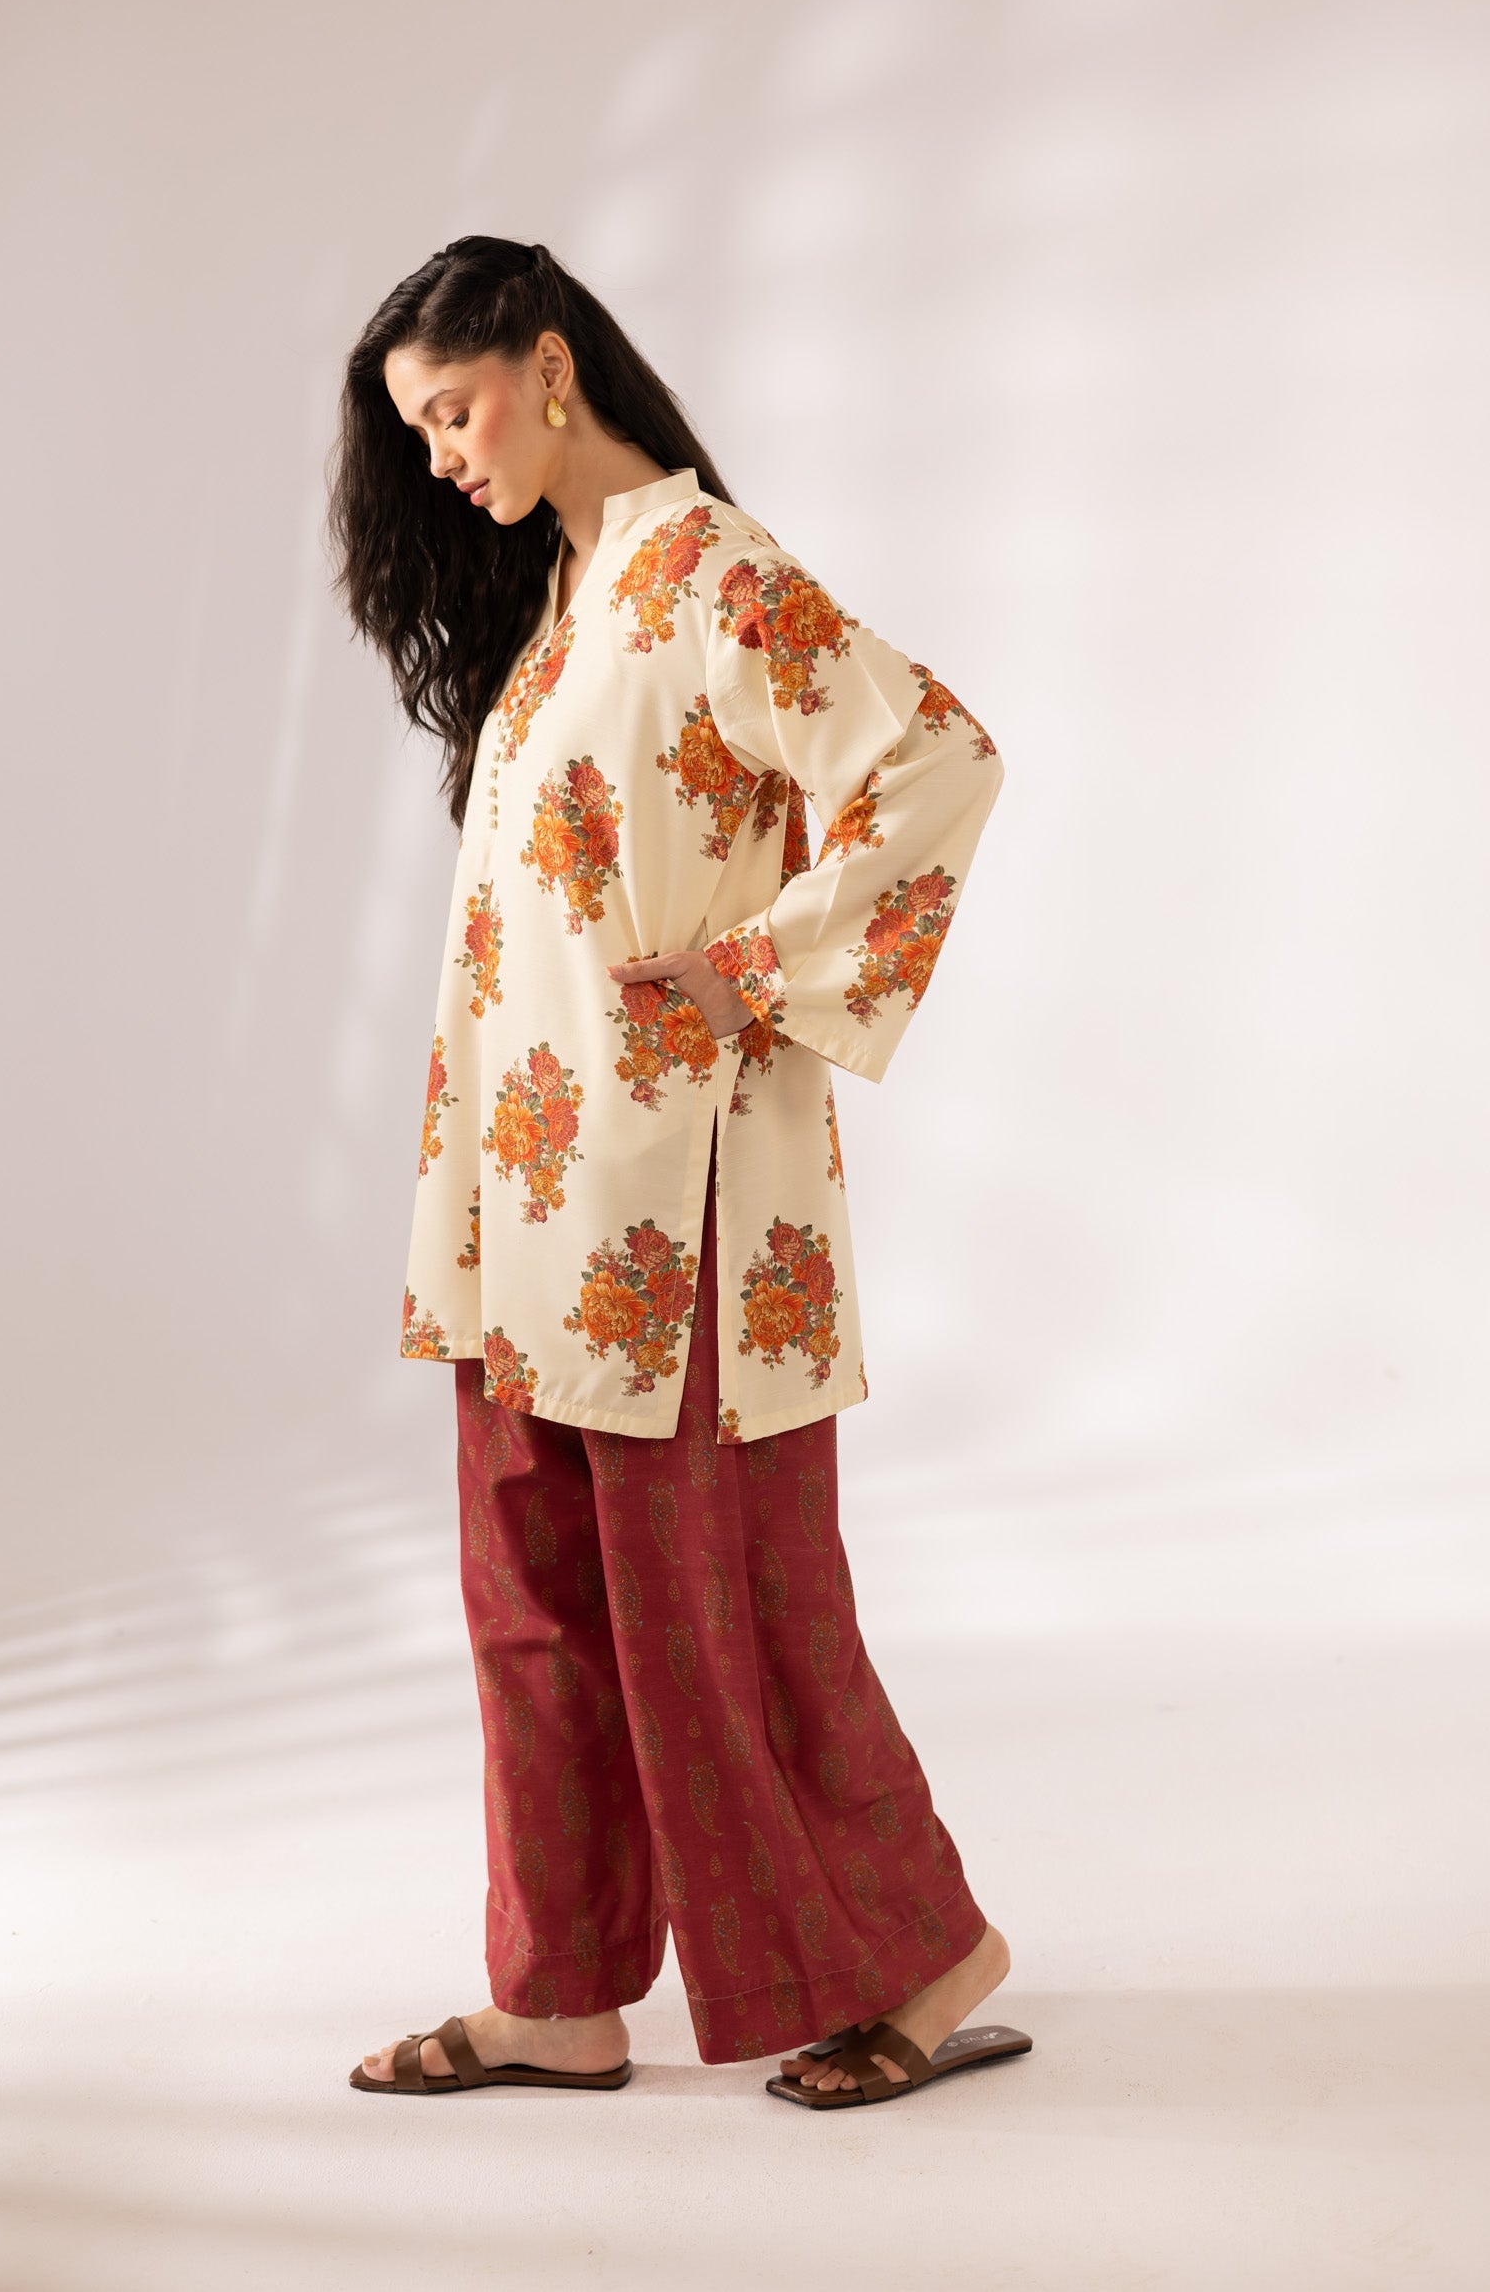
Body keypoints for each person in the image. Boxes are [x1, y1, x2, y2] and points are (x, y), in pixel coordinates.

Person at [325, 236, 1027, 2109]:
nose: (440, 458)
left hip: (680, 1205)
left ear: (550, 366)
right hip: (523, 1206)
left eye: (452, 412)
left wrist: (758, 971)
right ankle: (558, 1993)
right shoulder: (569, 600)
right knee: (535, 1611)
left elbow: (937, 761)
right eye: (417, 433)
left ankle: (928, 1959)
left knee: (735, 1613)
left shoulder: (713, 572)